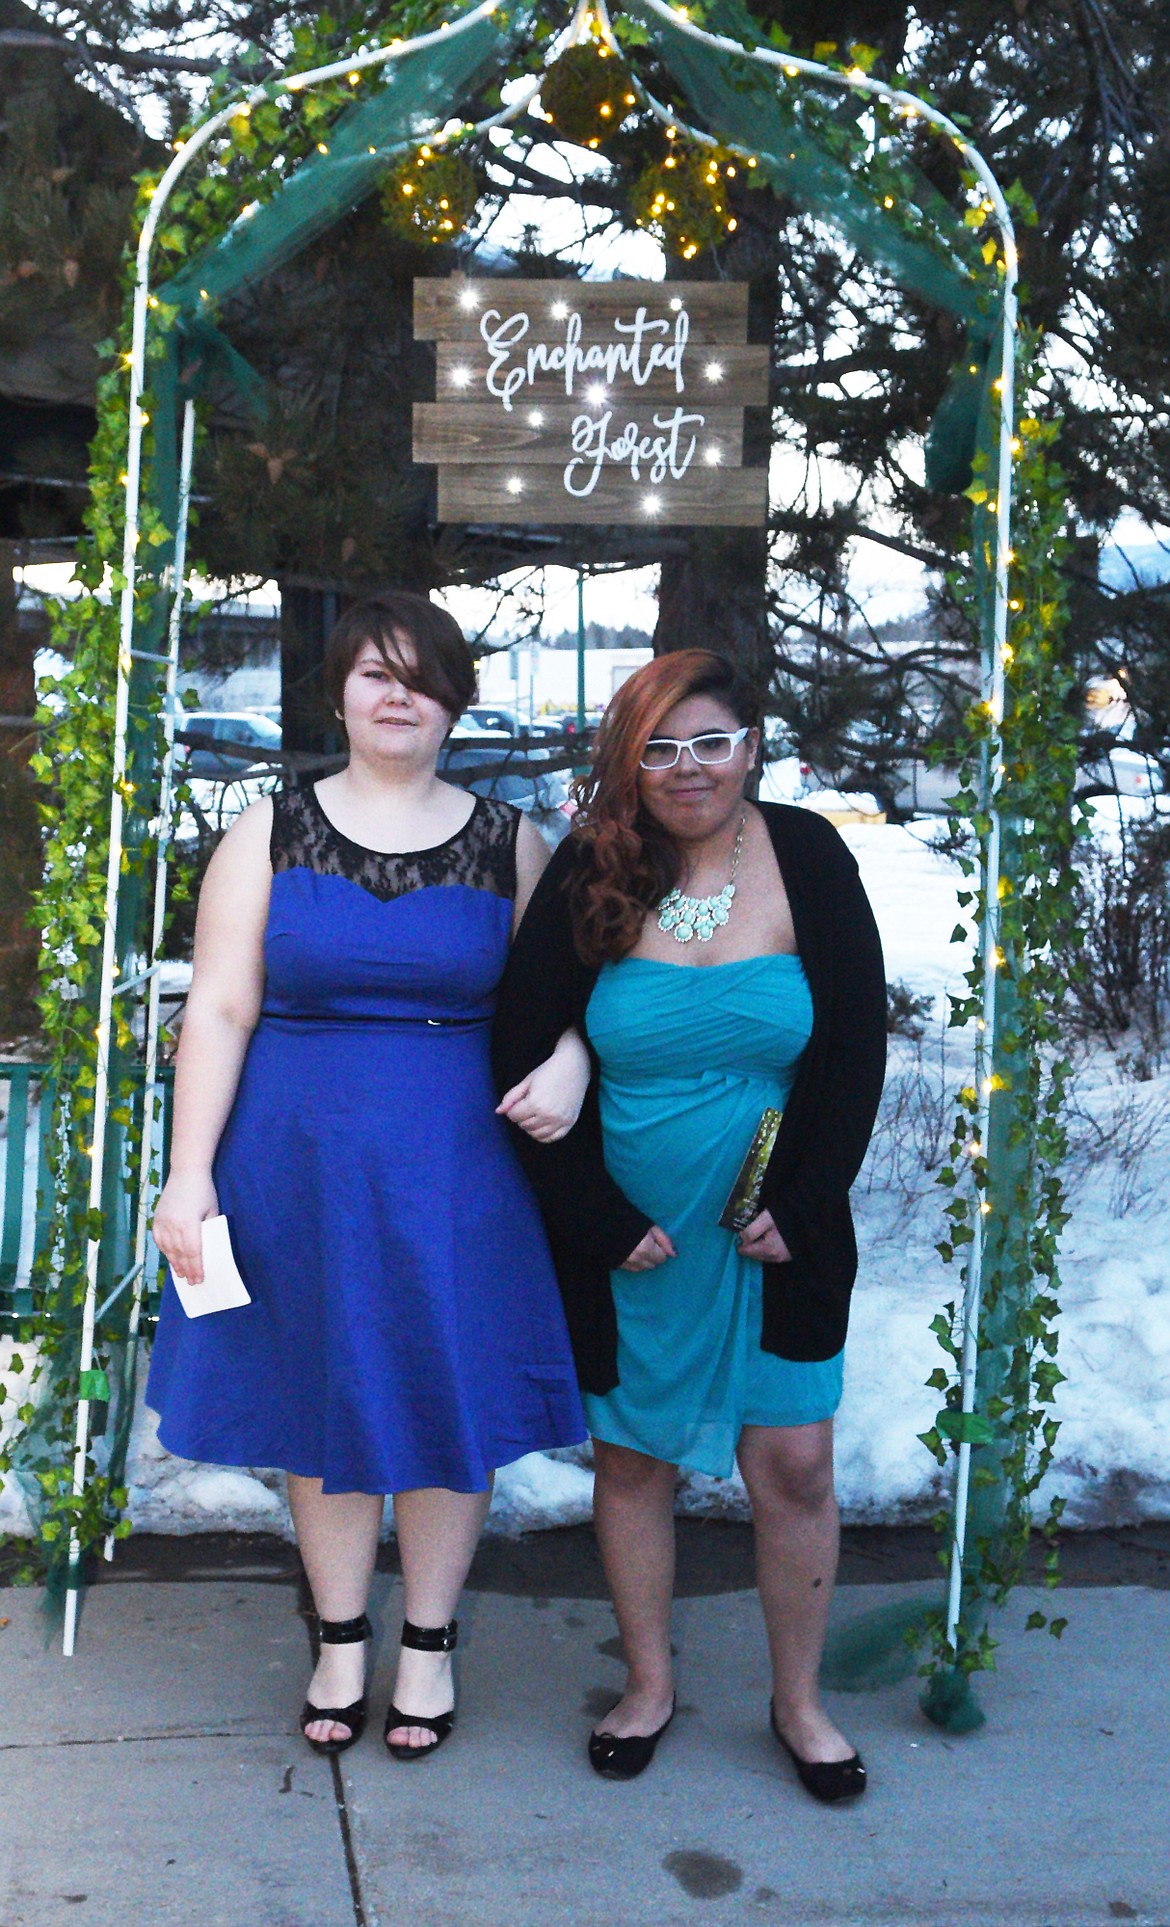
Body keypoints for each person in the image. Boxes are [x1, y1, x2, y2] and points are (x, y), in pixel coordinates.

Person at [148, 591, 591, 1761]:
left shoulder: (513, 841)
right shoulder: (267, 832)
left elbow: (569, 1001)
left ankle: (431, 1643)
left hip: (459, 1170)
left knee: (446, 1397)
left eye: (423, 677)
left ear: (455, 699)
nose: (398, 695)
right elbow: (224, 1006)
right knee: (320, 1395)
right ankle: (341, 1636)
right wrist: (188, 1175)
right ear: (339, 692)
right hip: (292, 1163)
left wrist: (576, 1061)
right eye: (374, 674)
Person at [493, 648, 886, 1800]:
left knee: (797, 1464)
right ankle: (649, 1684)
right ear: (629, 760)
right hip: (636, 1238)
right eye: (658, 746)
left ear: (752, 746)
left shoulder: (807, 854)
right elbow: (520, 1050)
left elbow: (856, 1047)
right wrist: (597, 1219)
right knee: (634, 1462)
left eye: (710, 741)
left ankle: (799, 1701)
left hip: (778, 1230)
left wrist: (803, 1202)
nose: (687, 768)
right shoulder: (592, 867)